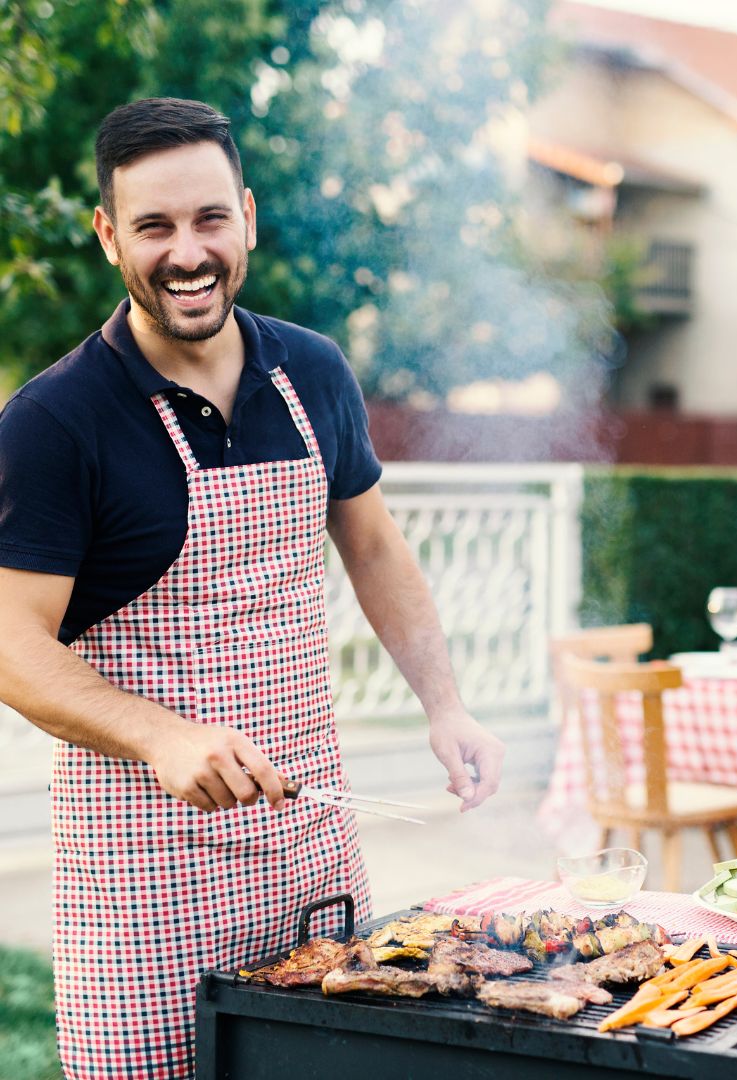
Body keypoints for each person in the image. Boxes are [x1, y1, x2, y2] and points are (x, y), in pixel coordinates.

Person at [0, 97, 505, 1079]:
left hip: (310, 846)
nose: (187, 253)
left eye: (209, 219)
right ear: (109, 236)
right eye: (154, 226)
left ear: (248, 217)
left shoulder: (310, 373)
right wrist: (159, 734)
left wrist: (445, 705)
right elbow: (11, 643)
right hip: (143, 876)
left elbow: (375, 546)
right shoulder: (56, 422)